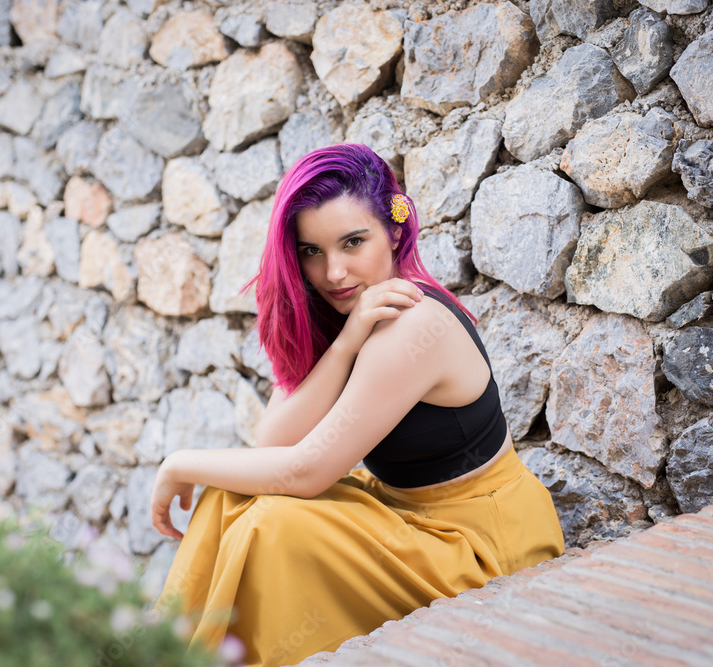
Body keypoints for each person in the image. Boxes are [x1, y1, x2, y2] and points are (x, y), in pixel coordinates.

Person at [149, 143, 565, 667]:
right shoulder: (347, 317)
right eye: (312, 251)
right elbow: (273, 441)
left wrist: (179, 463)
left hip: (479, 544)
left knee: (271, 526)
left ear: (394, 230)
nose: (334, 273)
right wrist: (344, 344)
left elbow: (305, 471)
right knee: (229, 498)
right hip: (408, 517)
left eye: (353, 242)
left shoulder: (414, 322)